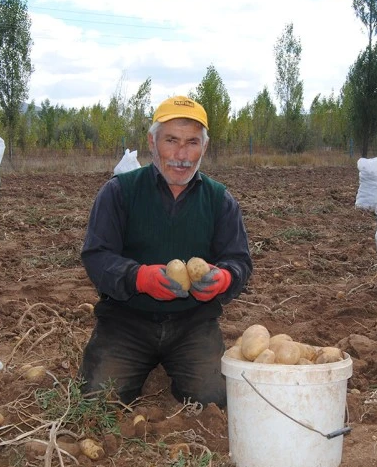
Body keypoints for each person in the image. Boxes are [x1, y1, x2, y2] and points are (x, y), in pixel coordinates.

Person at [79, 95, 253, 408]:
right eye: (171, 140)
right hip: (126, 320)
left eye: (192, 143)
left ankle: (173, 365)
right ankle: (140, 363)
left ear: (205, 147)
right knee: (98, 401)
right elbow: (96, 255)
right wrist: (138, 278)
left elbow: (239, 260)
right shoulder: (119, 191)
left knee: (214, 399)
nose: (182, 155)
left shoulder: (219, 199)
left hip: (193, 323)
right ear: (152, 141)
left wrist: (224, 279)